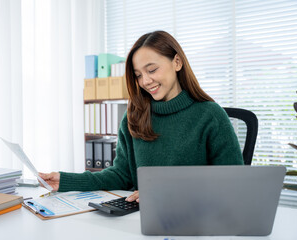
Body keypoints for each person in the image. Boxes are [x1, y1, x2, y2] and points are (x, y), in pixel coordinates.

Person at [39, 30, 243, 203]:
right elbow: (121, 175)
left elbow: (233, 184)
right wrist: (65, 181)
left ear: (177, 62)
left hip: (195, 219)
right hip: (141, 219)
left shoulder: (210, 116)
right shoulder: (134, 116)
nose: (145, 81)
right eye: (138, 75)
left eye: (152, 69)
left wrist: (166, 193)